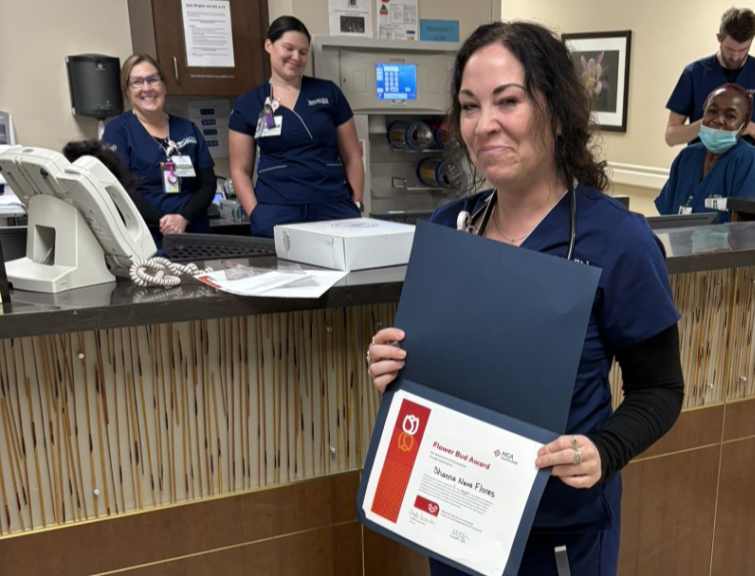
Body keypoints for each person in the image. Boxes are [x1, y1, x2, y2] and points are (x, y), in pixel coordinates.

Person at [365, 22, 684, 576]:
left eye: (507, 101)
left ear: (556, 113)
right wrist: (392, 366)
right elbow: (440, 380)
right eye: (469, 106)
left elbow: (659, 389)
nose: (484, 124)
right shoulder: (449, 230)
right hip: (456, 518)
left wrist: (605, 450)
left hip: (560, 534)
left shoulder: (618, 242)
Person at [228, 16, 364, 238]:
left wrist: (356, 202)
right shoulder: (249, 103)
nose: (296, 57)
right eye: (288, 48)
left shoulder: (328, 93)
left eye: (303, 52)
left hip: (333, 208)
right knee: (280, 273)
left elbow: (352, 156)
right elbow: (239, 170)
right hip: (276, 211)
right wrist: (257, 213)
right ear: (268, 45)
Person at [102, 54, 216, 248]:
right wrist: (164, 221)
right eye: (137, 82)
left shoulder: (188, 129)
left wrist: (184, 218)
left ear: (164, 85)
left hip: (193, 234)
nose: (147, 88)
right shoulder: (118, 131)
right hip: (147, 238)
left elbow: (208, 183)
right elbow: (119, 189)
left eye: (153, 79)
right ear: (127, 90)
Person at [665, 7, 755, 151]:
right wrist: (707, 125)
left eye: (743, 50)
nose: (736, 57)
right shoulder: (694, 74)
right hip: (703, 166)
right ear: (719, 38)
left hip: (746, 166)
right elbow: (671, 137)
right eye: (730, 50)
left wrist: (747, 127)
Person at [656, 84, 755, 222]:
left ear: (743, 127)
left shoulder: (751, 163)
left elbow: (751, 232)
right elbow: (666, 221)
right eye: (712, 111)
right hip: (678, 242)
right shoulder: (686, 157)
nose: (718, 120)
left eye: (730, 116)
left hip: (725, 244)